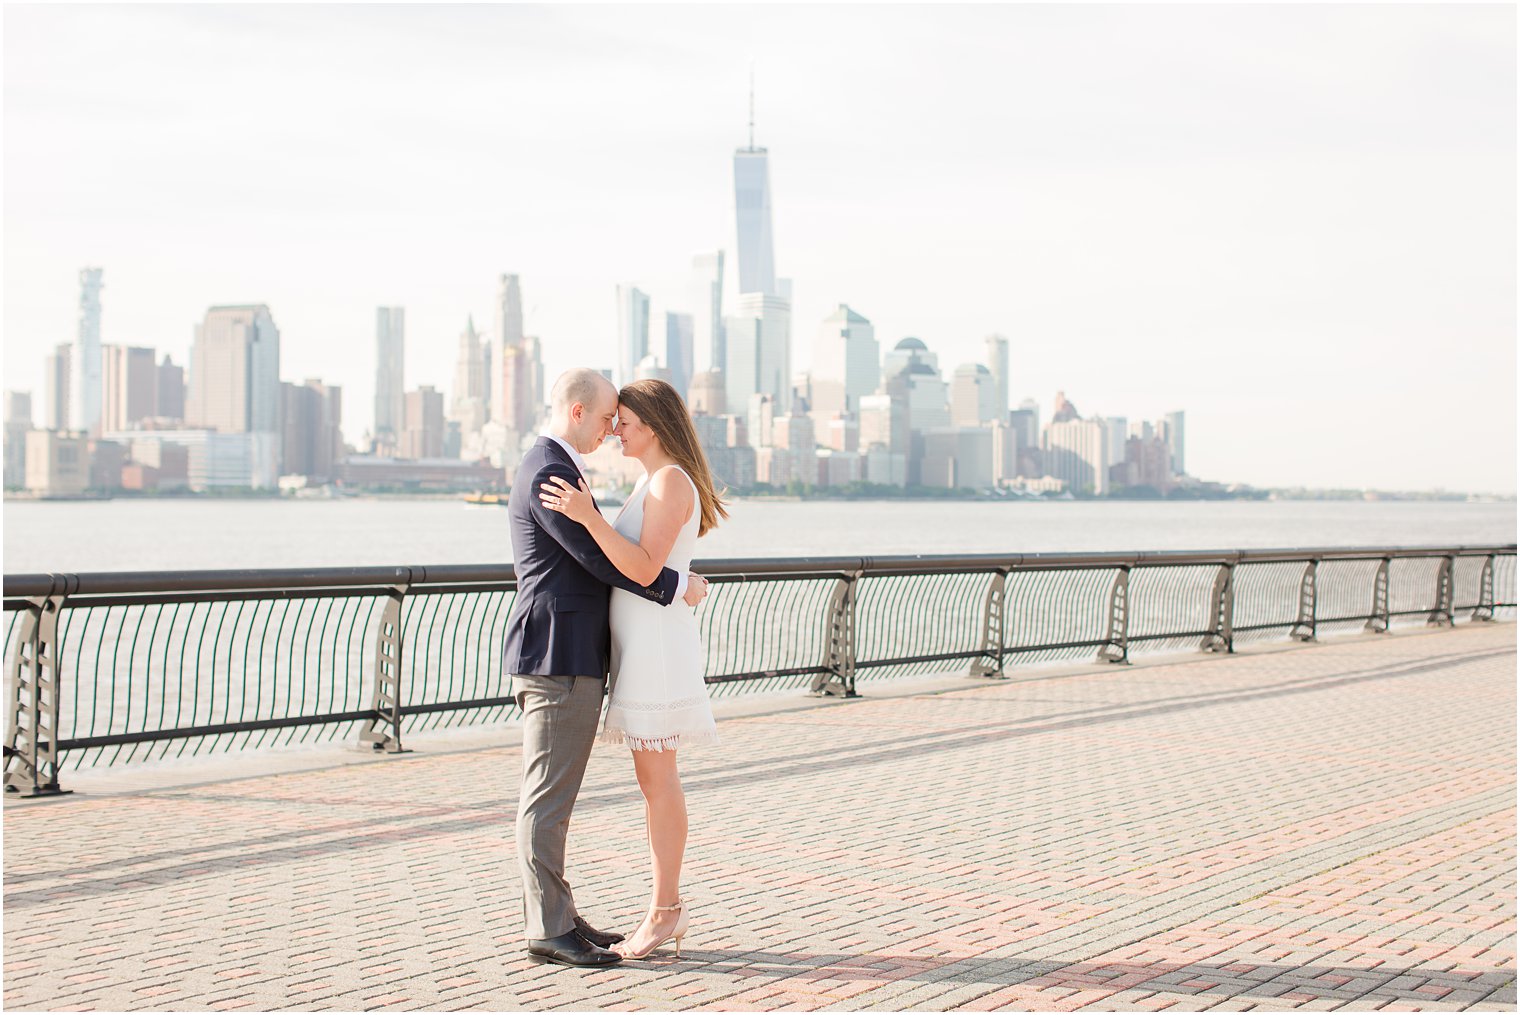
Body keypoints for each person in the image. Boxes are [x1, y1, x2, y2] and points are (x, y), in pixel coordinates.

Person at [503, 368, 711, 969]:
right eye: (607, 418)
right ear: (577, 414)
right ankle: (553, 924)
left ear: (654, 426)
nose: (613, 429)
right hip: (560, 653)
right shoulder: (552, 472)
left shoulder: (640, 480)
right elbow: (605, 561)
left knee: (620, 785)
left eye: (623, 421)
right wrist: (679, 585)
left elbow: (622, 559)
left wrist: (670, 581)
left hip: (602, 652)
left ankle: (595, 915)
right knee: (551, 794)